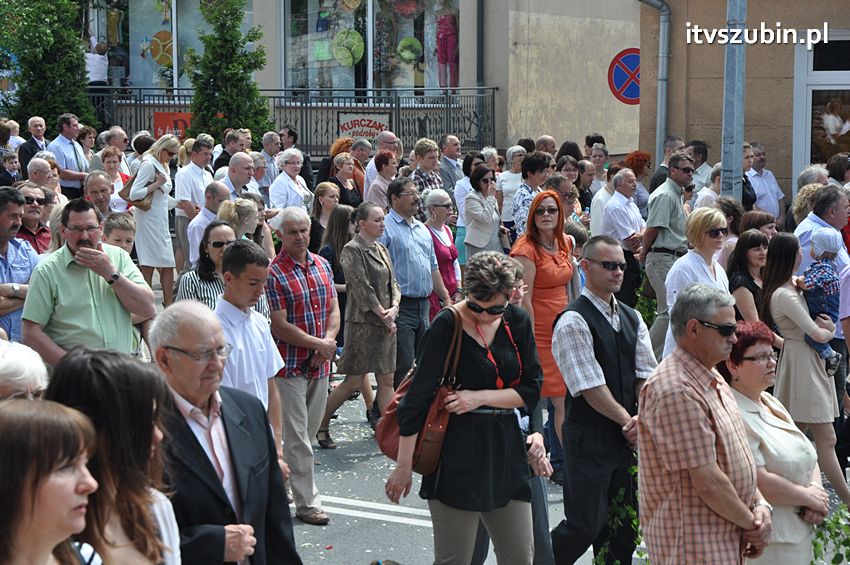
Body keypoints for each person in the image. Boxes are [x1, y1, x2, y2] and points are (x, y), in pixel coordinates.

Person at [385, 251, 543, 565]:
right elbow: (415, 402)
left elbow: (532, 389)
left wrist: (479, 398)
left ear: (509, 295)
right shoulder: (447, 324)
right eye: (476, 306)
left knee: (520, 557)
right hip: (456, 453)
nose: (484, 316)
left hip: (505, 451)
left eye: (495, 309)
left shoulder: (517, 320)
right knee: (455, 559)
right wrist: (403, 465)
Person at [149, 302, 302, 564]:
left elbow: (274, 518)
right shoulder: (143, 428)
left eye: (221, 350)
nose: (217, 364)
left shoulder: (248, 409)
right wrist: (211, 545)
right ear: (164, 359)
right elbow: (132, 536)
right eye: (203, 354)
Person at [639, 284, 772, 563]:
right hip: (695, 547)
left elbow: (738, 459)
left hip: (721, 539)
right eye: (726, 329)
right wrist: (752, 525)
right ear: (694, 329)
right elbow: (708, 481)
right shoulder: (676, 390)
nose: (734, 338)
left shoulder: (710, 375)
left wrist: (760, 505)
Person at [550, 235, 657, 565]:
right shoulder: (573, 320)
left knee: (623, 529)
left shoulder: (632, 317)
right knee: (584, 525)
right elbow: (589, 386)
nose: (618, 272)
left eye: (622, 266)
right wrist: (629, 421)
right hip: (589, 436)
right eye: (609, 265)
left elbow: (645, 375)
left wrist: (640, 419)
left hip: (625, 437)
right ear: (585, 266)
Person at [46, 348, 181, 565]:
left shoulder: (155, 508)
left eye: (155, 419)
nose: (158, 435)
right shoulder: (46, 530)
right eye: (143, 422)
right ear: (98, 431)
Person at [719, 321, 828, 564]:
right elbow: (755, 478)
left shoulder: (771, 402)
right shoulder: (732, 412)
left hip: (799, 531)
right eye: (760, 357)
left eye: (772, 355)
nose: (771, 363)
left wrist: (817, 491)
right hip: (771, 541)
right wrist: (808, 498)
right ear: (733, 365)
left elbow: (807, 451)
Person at [762, 232, 850, 507]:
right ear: (790, 255)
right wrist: (829, 329)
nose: (804, 253)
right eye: (799, 250)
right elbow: (817, 332)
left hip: (805, 361)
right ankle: (846, 500)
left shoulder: (790, 286)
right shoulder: (784, 294)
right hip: (803, 362)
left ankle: (780, 493)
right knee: (825, 437)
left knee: (794, 433)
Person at [266, 206, 340, 526]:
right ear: (280, 235)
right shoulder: (273, 273)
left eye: (304, 230)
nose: (300, 237)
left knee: (305, 435)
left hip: (320, 365)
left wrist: (327, 343)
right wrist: (319, 345)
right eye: (292, 232)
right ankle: (308, 503)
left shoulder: (322, 264)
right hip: (289, 366)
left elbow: (333, 310)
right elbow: (279, 325)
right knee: (298, 438)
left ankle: (280, 481)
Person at [22, 198, 156, 365]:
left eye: (91, 228)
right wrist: (73, 366)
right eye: (76, 229)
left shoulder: (119, 257)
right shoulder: (47, 271)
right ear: (63, 231)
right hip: (75, 376)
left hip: (119, 371)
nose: (84, 236)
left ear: (100, 229)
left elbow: (147, 308)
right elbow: (31, 333)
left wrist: (111, 274)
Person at [320, 202, 400, 442]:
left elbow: (393, 283)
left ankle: (390, 434)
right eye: (377, 220)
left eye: (383, 219)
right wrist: (383, 314)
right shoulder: (352, 250)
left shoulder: (381, 249)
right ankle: (320, 423)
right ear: (362, 224)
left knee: (387, 379)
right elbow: (361, 286)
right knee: (353, 381)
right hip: (363, 324)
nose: (382, 224)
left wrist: (394, 308)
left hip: (386, 323)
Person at [510, 191, 573, 460]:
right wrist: (530, 341)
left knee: (568, 398)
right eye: (540, 211)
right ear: (532, 216)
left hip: (565, 328)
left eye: (551, 210)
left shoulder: (563, 242)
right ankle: (568, 463)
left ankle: (559, 459)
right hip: (541, 333)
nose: (546, 215)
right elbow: (523, 300)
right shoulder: (525, 249)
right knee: (559, 399)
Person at [0, 399, 98, 565]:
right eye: (66, 466)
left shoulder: (86, 558)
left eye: (85, 464)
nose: (91, 484)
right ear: (9, 480)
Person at [216, 240, 284, 463]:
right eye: (253, 283)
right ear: (228, 279)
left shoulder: (260, 322)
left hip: (263, 440)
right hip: (234, 444)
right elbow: (220, 401)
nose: (260, 291)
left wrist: (277, 444)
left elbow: (271, 387)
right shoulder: (212, 330)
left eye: (264, 283)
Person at [380, 177, 452, 388]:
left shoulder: (422, 229)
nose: (416, 198)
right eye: (410, 194)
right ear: (394, 198)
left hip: (424, 305)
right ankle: (391, 405)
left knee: (424, 362)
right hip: (400, 306)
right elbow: (378, 270)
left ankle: (408, 404)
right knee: (403, 364)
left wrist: (446, 298)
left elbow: (433, 268)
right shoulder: (385, 228)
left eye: (417, 193)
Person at [661, 207, 731, 358]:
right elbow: (678, 315)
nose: (720, 235)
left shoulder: (718, 269)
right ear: (698, 233)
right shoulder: (683, 268)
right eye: (714, 232)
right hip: (686, 350)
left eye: (724, 231)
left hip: (711, 347)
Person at [644, 151, 691, 359]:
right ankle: (645, 357)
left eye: (692, 170)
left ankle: (660, 357)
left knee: (674, 312)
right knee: (668, 313)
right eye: (686, 170)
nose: (690, 174)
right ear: (672, 171)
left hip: (673, 257)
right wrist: (644, 253)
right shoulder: (665, 194)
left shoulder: (677, 193)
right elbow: (652, 229)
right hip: (662, 256)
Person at [176, 220, 271, 320]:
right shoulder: (191, 280)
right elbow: (185, 321)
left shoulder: (252, 278)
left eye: (230, 243)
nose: (225, 249)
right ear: (205, 248)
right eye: (218, 244)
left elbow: (264, 319)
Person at [130, 134, 180, 306]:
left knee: (167, 264)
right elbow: (134, 194)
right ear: (162, 149)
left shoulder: (161, 164)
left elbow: (162, 198)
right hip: (148, 219)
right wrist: (156, 184)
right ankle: (147, 305)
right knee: (149, 264)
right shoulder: (148, 164)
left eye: (174, 154)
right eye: (171, 153)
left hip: (160, 219)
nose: (172, 157)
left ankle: (167, 305)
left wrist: (178, 203)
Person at [802, 227, 844, 374]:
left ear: (820, 249)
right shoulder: (828, 266)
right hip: (825, 310)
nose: (810, 249)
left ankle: (830, 355)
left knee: (811, 335)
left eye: (812, 245)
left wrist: (799, 282)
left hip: (824, 312)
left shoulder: (824, 268)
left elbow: (809, 284)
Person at [601, 168, 644, 307]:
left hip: (632, 257)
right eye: (631, 181)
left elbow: (644, 226)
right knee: (624, 301)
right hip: (619, 257)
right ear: (619, 184)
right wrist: (642, 249)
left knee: (632, 298)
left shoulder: (631, 203)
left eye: (635, 181)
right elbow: (630, 240)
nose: (635, 184)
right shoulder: (615, 206)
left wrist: (641, 235)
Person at [0, 188, 39, 342]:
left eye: (20, 216)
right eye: (13, 216)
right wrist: (28, 296)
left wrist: (11, 289)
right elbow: (38, 293)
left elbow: (46, 290)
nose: (18, 223)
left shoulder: (25, 250)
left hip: (25, 348)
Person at [174, 134, 214, 272]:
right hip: (189, 220)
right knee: (193, 261)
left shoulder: (208, 174)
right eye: (205, 154)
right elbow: (185, 203)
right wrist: (199, 221)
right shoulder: (184, 173)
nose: (208, 157)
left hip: (205, 221)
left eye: (210, 154)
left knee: (203, 260)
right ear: (194, 154)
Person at [424, 188, 462, 320]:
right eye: (446, 206)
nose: (450, 209)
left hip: (454, 294)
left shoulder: (447, 229)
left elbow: (455, 262)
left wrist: (459, 290)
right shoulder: (424, 232)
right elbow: (429, 268)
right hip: (435, 298)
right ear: (432, 209)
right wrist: (444, 297)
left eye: (451, 205)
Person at [727, 229, 770, 323]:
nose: (763, 252)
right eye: (756, 249)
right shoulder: (740, 283)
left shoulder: (765, 276)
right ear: (744, 253)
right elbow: (754, 323)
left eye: (765, 247)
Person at [187, 181, 230, 268]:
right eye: (221, 201)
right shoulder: (199, 225)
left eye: (227, 202)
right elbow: (198, 258)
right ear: (209, 198)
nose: (225, 206)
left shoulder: (221, 218)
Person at [464, 165, 502, 258]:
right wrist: (491, 197)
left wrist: (500, 227)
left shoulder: (490, 197)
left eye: (492, 180)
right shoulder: (471, 198)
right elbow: (485, 218)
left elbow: (493, 219)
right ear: (477, 181)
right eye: (485, 181)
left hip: (495, 244)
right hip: (479, 246)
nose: (489, 183)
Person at [512, 151, 551, 235]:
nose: (545, 175)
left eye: (546, 171)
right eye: (541, 172)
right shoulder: (523, 196)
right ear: (530, 174)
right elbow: (525, 226)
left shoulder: (538, 190)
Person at [747, 143, 786, 225]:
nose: (762, 157)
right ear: (751, 158)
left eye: (763, 154)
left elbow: (780, 197)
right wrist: (769, 220)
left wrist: (782, 217)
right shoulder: (748, 177)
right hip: (760, 224)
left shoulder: (769, 174)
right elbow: (752, 205)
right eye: (758, 155)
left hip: (776, 224)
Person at [496, 145, 526, 240]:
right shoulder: (502, 177)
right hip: (507, 217)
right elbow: (499, 202)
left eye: (524, 155)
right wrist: (499, 220)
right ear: (511, 159)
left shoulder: (527, 176)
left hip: (523, 218)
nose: (523, 157)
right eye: (519, 155)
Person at [17, 182, 52, 254]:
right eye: (29, 200)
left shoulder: (52, 235)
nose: (35, 204)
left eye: (40, 201)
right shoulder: (8, 235)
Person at [714, 195, 746, 269]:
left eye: (717, 213)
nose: (713, 216)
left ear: (730, 219)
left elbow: (728, 272)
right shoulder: (722, 239)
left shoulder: (731, 244)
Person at [308, 182, 340, 254]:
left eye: (337, 197)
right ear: (321, 199)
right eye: (332, 197)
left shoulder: (341, 220)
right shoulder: (311, 223)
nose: (336, 200)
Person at [17, 116, 50, 181]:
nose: (39, 128)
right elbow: (27, 170)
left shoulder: (51, 144)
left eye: (41, 125)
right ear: (29, 129)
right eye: (35, 126)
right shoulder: (25, 148)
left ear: (45, 128)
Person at [623, 150, 651, 219]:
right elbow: (632, 209)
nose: (650, 168)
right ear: (640, 166)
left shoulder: (639, 183)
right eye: (648, 165)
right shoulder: (634, 186)